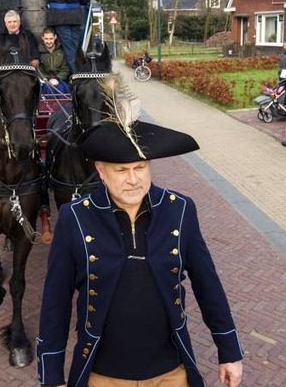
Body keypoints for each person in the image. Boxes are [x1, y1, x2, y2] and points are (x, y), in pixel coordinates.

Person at [36, 117, 244, 387]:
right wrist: (51, 376)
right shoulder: (75, 217)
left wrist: (229, 352)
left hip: (171, 373)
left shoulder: (179, 209)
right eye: (122, 170)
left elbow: (208, 285)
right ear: (101, 170)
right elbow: (56, 300)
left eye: (140, 167)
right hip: (102, 375)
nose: (133, 179)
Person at [39, 27, 70, 94]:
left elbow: (65, 68)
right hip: (45, 81)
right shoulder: (39, 51)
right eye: (46, 39)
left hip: (60, 80)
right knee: (48, 89)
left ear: (55, 37)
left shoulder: (61, 51)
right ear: (42, 38)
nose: (49, 41)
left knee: (62, 89)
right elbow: (38, 69)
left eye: (51, 39)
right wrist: (47, 79)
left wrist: (57, 78)